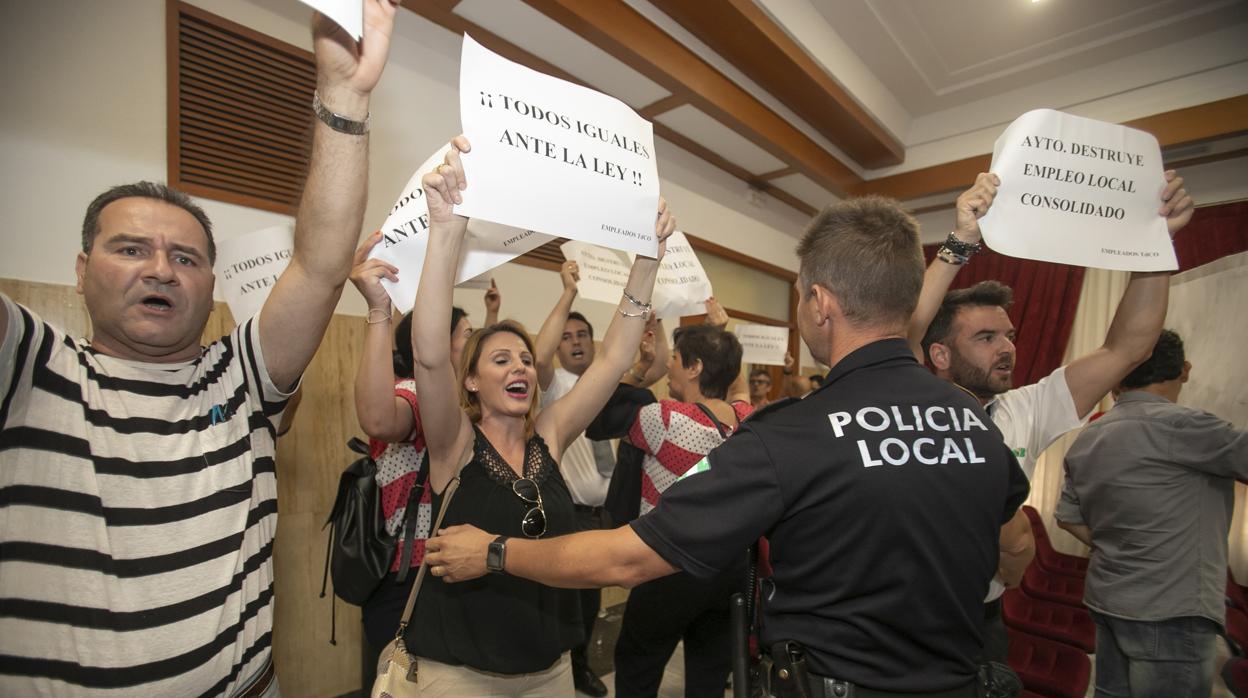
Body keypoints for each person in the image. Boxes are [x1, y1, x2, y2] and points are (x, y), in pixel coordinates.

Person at [425, 195, 1031, 696]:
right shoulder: (972, 419)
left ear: (820, 304)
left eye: (800, 294)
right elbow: (1015, 550)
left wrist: (497, 552)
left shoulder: (792, 435)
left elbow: (629, 559)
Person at [0, 3, 400, 694]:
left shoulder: (237, 378)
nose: (160, 269)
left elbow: (319, 264)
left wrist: (344, 98)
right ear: (81, 268)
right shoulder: (32, 364)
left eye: (185, 257)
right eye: (130, 249)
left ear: (210, 283)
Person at [404, 136, 675, 696]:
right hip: (459, 677)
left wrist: (647, 261)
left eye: (526, 358)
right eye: (500, 359)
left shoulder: (548, 435)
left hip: (550, 670)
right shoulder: (454, 443)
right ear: (472, 381)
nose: (520, 367)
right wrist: (446, 232)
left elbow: (617, 358)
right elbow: (430, 352)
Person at [911, 169, 1195, 661]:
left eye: (1009, 337)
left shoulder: (1027, 407)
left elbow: (1127, 348)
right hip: (905, 621)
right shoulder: (902, 405)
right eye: (985, 338)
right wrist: (961, 241)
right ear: (937, 354)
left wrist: (1154, 250)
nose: (1007, 350)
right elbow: (902, 331)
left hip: (984, 620)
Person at [1055, 330, 1248, 697]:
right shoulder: (1189, 428)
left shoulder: (1090, 436)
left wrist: (1124, 547)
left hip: (1109, 597)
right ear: (1185, 370)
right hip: (1171, 608)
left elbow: (1068, 517)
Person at [348, 235, 501, 655]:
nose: (478, 344)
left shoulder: (468, 404)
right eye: (469, 335)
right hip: (408, 573)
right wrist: (378, 310)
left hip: (452, 565)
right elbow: (379, 419)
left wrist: (491, 315)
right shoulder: (415, 392)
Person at [532, 260, 667, 697]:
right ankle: (570, 667)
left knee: (589, 602)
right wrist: (568, 293)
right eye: (566, 338)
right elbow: (537, 356)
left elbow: (658, 364)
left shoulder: (611, 384)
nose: (573, 343)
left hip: (605, 512)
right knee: (569, 601)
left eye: (581, 335)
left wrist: (658, 319)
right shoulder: (556, 387)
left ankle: (579, 664)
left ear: (594, 343)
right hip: (566, 512)